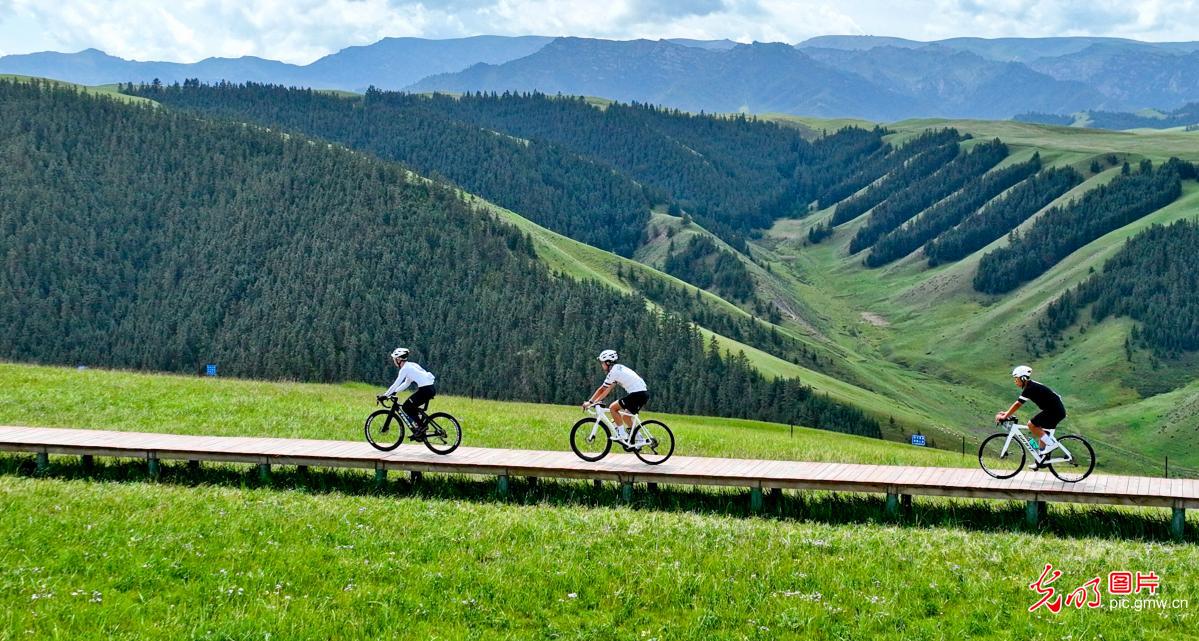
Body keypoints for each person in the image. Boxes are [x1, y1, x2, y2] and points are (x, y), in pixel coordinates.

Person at [995, 365, 1066, 464]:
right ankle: (1040, 461)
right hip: (1055, 410)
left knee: (1031, 425)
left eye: (1016, 378)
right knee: (1043, 434)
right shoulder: (1031, 385)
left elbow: (1018, 404)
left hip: (1054, 411)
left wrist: (1005, 416)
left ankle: (1051, 445)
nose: (1015, 381)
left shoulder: (1029, 387)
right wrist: (1007, 413)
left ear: (1023, 378)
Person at [582, 350, 648, 440]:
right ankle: (640, 440)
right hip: (641, 393)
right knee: (625, 417)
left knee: (613, 408)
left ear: (608, 362)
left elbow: (602, 389)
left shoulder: (613, 372)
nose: (601, 365)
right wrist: (595, 402)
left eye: (602, 363)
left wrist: (589, 402)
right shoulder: (618, 368)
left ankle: (622, 434)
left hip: (637, 394)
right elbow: (607, 389)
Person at [378, 347, 436, 438]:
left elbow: (396, 383)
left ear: (399, 359)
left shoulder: (405, 369)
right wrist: (395, 392)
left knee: (406, 407)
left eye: (394, 359)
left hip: (425, 390)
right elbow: (406, 383)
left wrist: (385, 395)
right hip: (430, 388)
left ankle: (421, 427)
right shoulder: (412, 365)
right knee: (411, 407)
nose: (394, 361)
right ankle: (420, 426)